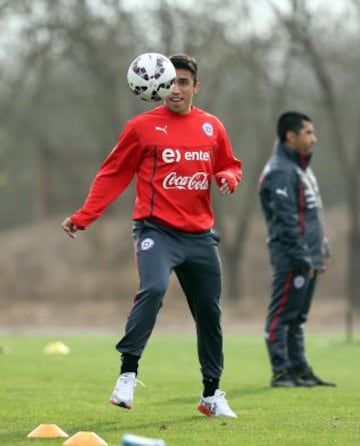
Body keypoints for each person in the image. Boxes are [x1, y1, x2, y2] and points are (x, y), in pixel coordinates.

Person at [61, 53, 242, 417]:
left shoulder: (212, 127)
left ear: (195, 87)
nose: (176, 89)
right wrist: (85, 216)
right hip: (156, 230)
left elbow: (228, 163)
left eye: (183, 82)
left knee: (209, 312)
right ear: (157, 85)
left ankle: (211, 394)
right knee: (154, 288)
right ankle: (127, 375)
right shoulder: (141, 127)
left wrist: (228, 177)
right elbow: (113, 174)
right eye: (170, 82)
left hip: (200, 236)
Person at [258, 111, 336, 388]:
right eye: (308, 133)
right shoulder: (280, 170)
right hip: (292, 258)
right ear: (291, 136)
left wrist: (320, 247)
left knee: (298, 317)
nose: (314, 139)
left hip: (308, 256)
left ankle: (300, 369)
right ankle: (281, 372)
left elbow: (310, 214)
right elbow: (286, 219)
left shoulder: (300, 168)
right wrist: (303, 255)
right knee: (282, 315)